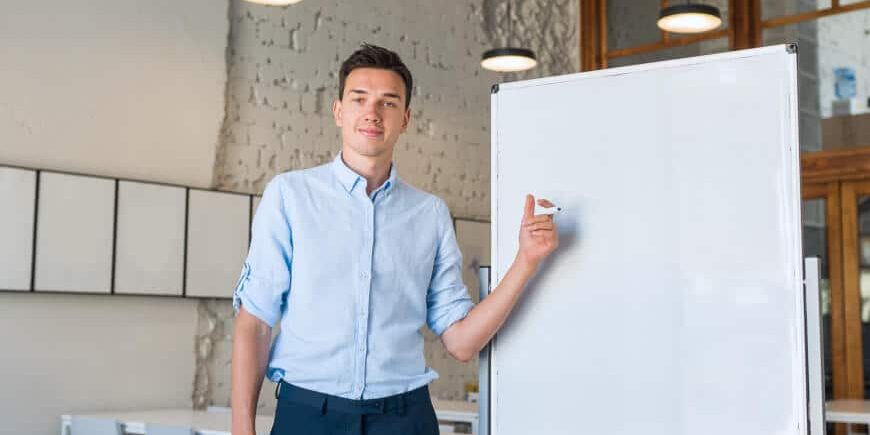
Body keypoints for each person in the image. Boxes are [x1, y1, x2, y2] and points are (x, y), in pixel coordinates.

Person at [231, 43, 559, 435]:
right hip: (308, 416)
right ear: (338, 111)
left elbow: (461, 343)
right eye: (359, 99)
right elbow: (255, 323)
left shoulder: (430, 214)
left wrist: (526, 261)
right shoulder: (289, 197)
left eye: (388, 103)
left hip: (405, 420)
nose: (372, 112)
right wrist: (242, 429)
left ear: (404, 119)